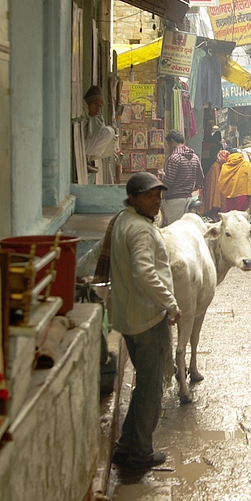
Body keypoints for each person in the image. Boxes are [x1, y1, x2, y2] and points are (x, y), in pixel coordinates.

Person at [106, 172, 181, 470]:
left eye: (159, 194)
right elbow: (143, 271)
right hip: (148, 319)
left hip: (128, 317)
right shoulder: (140, 230)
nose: (157, 200)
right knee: (151, 389)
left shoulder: (123, 220)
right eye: (150, 195)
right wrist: (171, 303)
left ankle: (126, 445)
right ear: (133, 198)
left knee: (144, 385)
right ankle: (141, 452)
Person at [160, 130, 204, 227]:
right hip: (188, 199)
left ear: (172, 141)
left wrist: (162, 177)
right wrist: (195, 187)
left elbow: (169, 182)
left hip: (174, 201)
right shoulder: (194, 157)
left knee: (173, 230)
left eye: (168, 143)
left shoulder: (174, 158)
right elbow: (200, 177)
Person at [83, 85, 117, 168]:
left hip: (86, 150)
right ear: (88, 102)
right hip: (81, 148)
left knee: (111, 131)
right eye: (96, 105)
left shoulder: (96, 116)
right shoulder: (82, 112)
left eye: (100, 107)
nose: (98, 109)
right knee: (109, 131)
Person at [217, 148, 251, 214]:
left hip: (229, 196)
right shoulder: (246, 164)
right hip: (243, 195)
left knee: (230, 216)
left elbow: (221, 182)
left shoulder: (225, 166)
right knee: (241, 217)